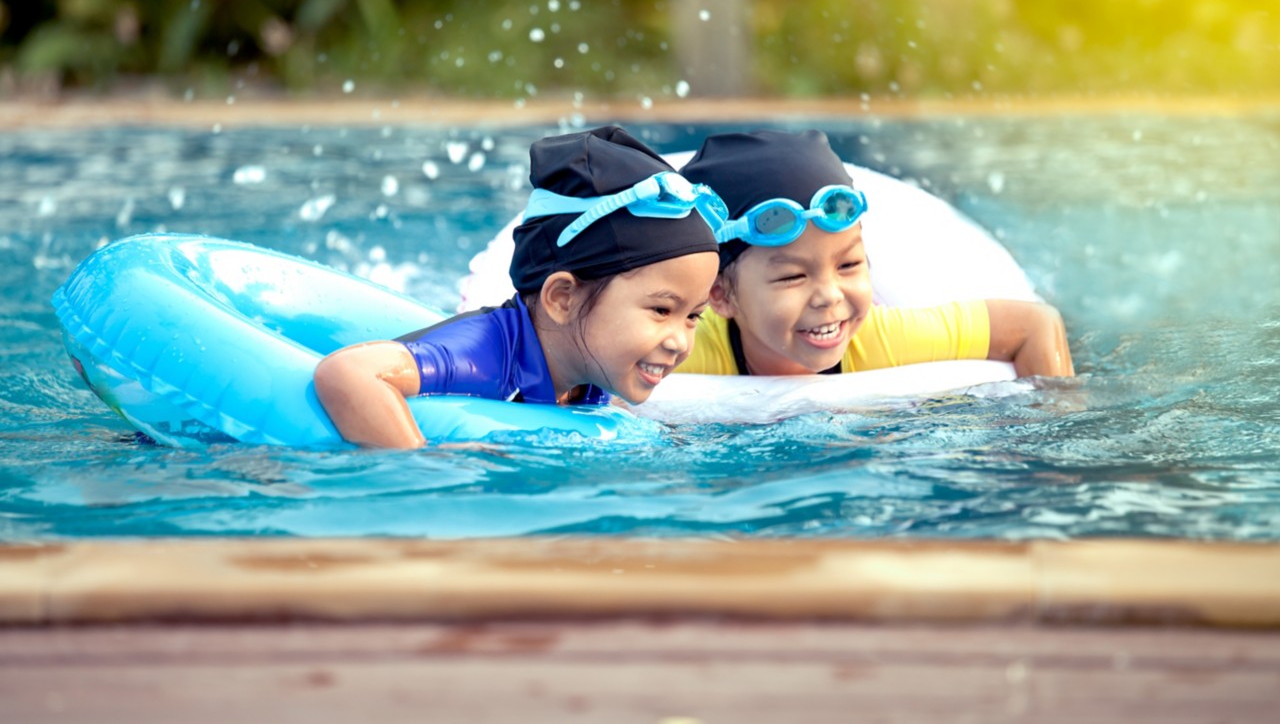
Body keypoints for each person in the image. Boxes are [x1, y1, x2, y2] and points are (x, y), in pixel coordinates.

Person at [315, 126, 724, 448]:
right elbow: (348, 373)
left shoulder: (590, 374)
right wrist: (422, 464)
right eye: (661, 311)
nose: (679, 342)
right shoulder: (484, 356)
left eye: (693, 316)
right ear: (562, 299)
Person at [676, 130, 1075, 379]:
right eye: (793, 277)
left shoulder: (878, 340)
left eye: (848, 265)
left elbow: (1035, 325)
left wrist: (1055, 427)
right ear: (720, 295)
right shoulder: (685, 347)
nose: (830, 295)